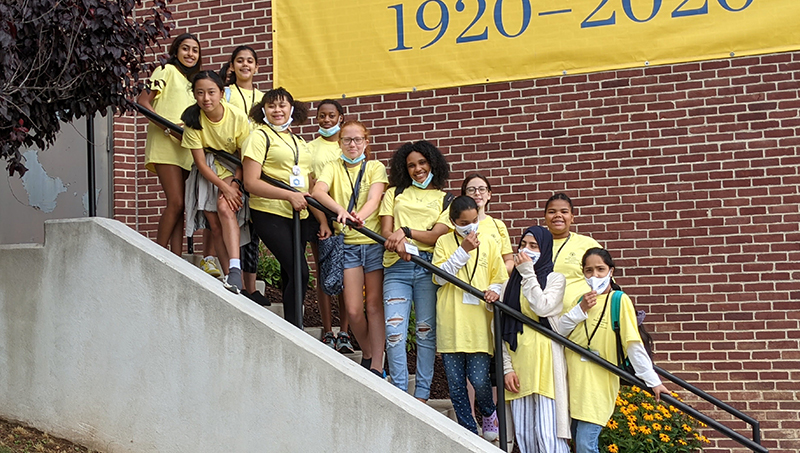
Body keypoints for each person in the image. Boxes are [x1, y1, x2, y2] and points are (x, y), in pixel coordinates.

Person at [557, 248, 668, 453]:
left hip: (598, 385)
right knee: (576, 445)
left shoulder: (619, 299)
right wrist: (580, 309)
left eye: (600, 269)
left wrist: (654, 381)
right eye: (589, 270)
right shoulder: (580, 300)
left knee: (585, 445)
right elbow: (560, 332)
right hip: (573, 382)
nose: (594, 275)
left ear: (611, 271)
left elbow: (632, 344)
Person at [241, 87, 330, 327]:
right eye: (271, 106)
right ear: (263, 110)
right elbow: (251, 182)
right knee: (301, 273)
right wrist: (288, 195)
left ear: (292, 108)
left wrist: (321, 219)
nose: (277, 110)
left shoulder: (299, 141)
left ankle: (293, 328)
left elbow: (309, 184)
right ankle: (295, 328)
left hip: (299, 215)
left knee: (290, 273)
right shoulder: (259, 136)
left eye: (282, 105)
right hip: (269, 212)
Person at [312, 121, 388, 376]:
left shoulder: (375, 167)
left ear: (366, 142)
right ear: (340, 143)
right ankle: (367, 352)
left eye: (357, 140)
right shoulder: (332, 167)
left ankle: (376, 365)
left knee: (374, 305)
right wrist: (340, 211)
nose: (352, 145)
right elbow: (318, 191)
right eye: (347, 140)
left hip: (373, 243)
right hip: (348, 246)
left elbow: (375, 198)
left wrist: (359, 217)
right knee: (354, 309)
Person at [380, 140, 451, 402]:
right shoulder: (394, 193)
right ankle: (399, 390)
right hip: (396, 267)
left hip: (426, 268)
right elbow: (386, 231)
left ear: (433, 163)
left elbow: (435, 236)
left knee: (425, 331)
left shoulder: (446, 199)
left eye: (422, 163)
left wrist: (406, 233)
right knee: (394, 331)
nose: (417, 169)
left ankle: (421, 393)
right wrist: (399, 242)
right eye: (411, 165)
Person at [433, 196, 506, 441]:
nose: (471, 226)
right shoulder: (444, 242)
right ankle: (467, 427)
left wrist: (494, 289)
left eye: (475, 220)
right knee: (455, 383)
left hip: (478, 322)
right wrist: (463, 251)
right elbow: (439, 277)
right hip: (451, 321)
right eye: (465, 222)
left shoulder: (490, 242)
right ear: (453, 222)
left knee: (479, 379)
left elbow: (499, 276)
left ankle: (488, 412)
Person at [499, 226, 570, 453]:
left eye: (534, 246)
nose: (526, 250)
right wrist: (506, 369)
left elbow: (543, 306)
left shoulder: (555, 279)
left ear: (546, 249)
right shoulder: (508, 285)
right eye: (523, 245)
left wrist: (528, 272)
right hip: (519, 364)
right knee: (525, 435)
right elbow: (500, 329)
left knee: (548, 434)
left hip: (547, 364)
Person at [180, 71, 250, 293]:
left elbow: (242, 158)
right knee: (215, 226)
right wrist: (223, 187)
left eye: (211, 92)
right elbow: (200, 163)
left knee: (224, 207)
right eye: (200, 93)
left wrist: (235, 185)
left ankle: (236, 268)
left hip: (232, 168)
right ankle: (231, 277)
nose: (206, 98)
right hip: (208, 172)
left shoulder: (237, 117)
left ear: (221, 93)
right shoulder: (193, 121)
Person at [137, 33, 201, 255]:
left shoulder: (192, 84)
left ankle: (175, 258)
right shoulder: (165, 70)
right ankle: (157, 254)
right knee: (175, 201)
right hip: (165, 144)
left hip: (185, 148)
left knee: (180, 206)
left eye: (195, 50)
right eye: (185, 48)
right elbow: (143, 102)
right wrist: (168, 128)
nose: (190, 54)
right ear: (175, 51)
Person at [222, 45, 270, 305]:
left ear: (256, 67)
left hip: (258, 162)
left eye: (250, 61)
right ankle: (232, 271)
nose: (245, 65)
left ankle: (251, 286)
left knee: (253, 225)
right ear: (232, 66)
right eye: (239, 61)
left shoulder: (264, 99)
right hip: (231, 161)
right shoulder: (225, 93)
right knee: (232, 217)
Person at [308, 100, 352, 352]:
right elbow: (310, 187)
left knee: (346, 278)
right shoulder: (309, 148)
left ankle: (344, 332)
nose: (326, 120)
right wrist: (323, 221)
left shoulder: (347, 147)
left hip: (346, 223)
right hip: (320, 220)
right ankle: (327, 331)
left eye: (331, 115)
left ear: (340, 117)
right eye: (322, 116)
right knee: (324, 275)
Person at [544, 193, 601, 310]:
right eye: (552, 212)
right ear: (545, 217)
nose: (558, 215)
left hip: (581, 317)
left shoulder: (588, 244)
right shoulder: (535, 246)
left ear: (572, 217)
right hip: (539, 320)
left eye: (564, 212)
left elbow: (604, 280)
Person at [462, 173, 514, 275]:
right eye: (471, 190)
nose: (477, 193)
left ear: (489, 194)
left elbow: (509, 260)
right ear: (464, 195)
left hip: (495, 285)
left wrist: (498, 271)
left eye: (482, 189)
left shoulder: (498, 225)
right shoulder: (457, 225)